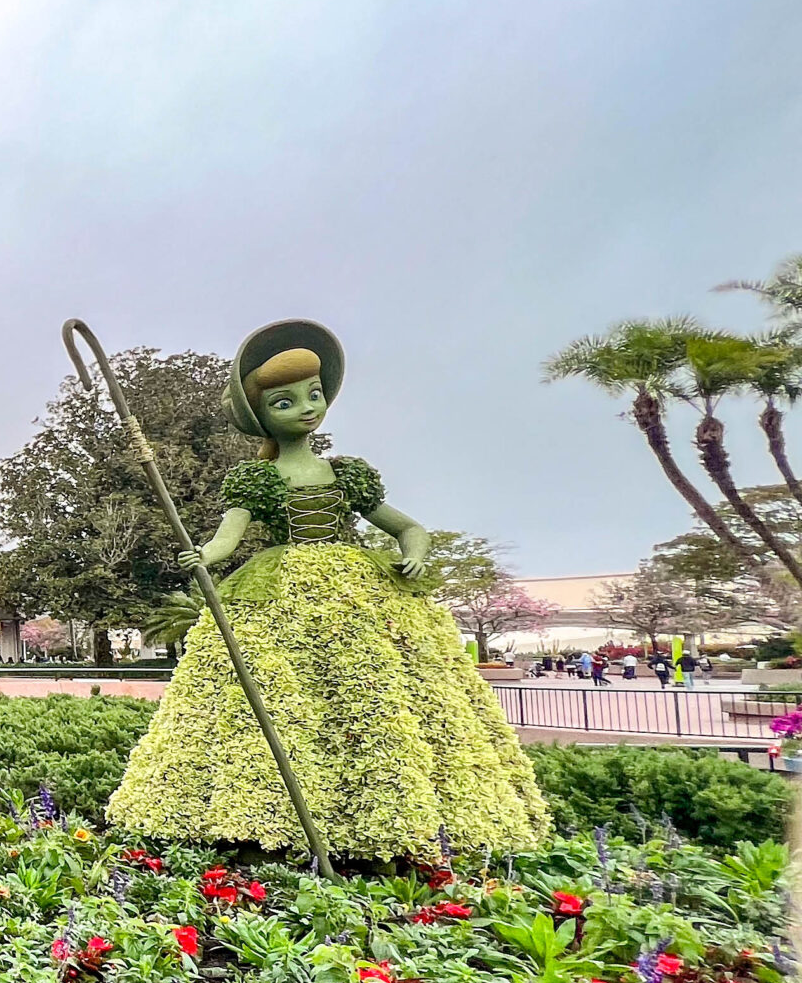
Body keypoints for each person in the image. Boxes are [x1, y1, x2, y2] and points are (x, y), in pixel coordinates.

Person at [106, 319, 547, 859]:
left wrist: (413, 552)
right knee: (281, 698)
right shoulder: (258, 479)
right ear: (264, 416)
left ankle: (396, 818)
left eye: (313, 395)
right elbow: (228, 537)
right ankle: (270, 817)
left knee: (372, 694)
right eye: (285, 403)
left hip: (360, 593)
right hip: (280, 591)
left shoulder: (348, 475)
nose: (306, 409)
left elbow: (409, 527)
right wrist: (205, 555)